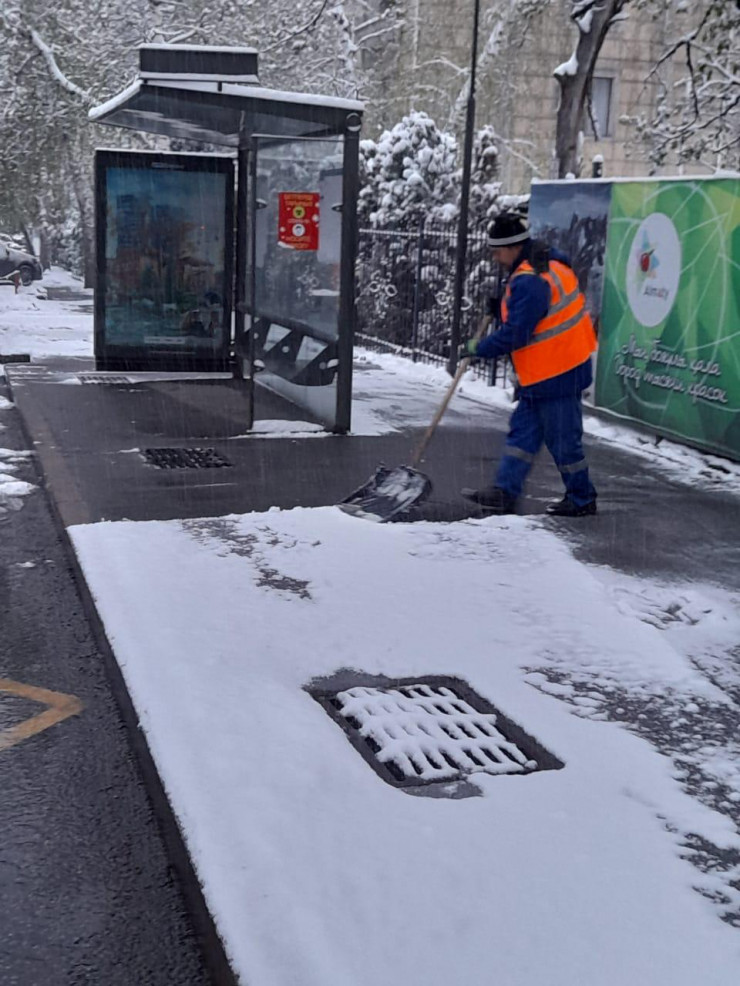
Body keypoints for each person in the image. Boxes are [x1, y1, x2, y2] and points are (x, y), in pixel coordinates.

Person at [460, 211, 598, 517]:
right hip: (544, 373)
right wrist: (502, 306)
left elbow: (516, 334)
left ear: (513, 247)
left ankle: (581, 498)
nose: (495, 258)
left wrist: (477, 348)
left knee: (564, 442)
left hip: (559, 372)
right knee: (522, 435)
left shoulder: (530, 280)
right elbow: (534, 317)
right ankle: (504, 491)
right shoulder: (543, 264)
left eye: (497, 251)